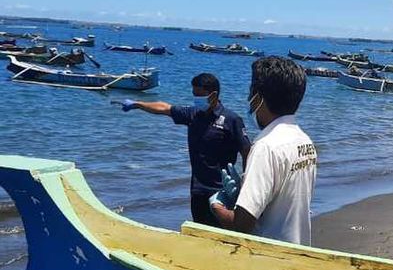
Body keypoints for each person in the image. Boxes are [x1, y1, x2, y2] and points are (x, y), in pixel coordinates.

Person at [119, 73, 252, 227]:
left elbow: (246, 151)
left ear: (213, 94)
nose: (196, 99)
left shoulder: (231, 120)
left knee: (223, 234)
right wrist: (137, 104)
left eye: (199, 95)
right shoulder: (193, 114)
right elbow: (164, 108)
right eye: (193, 94)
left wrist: (246, 184)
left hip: (222, 190)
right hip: (198, 190)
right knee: (200, 230)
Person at [210, 57, 317, 245]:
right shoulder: (304, 141)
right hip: (298, 248)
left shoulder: (265, 147)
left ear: (258, 98)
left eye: (251, 91)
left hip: (269, 255)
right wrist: (242, 192)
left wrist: (217, 206)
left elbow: (241, 225)